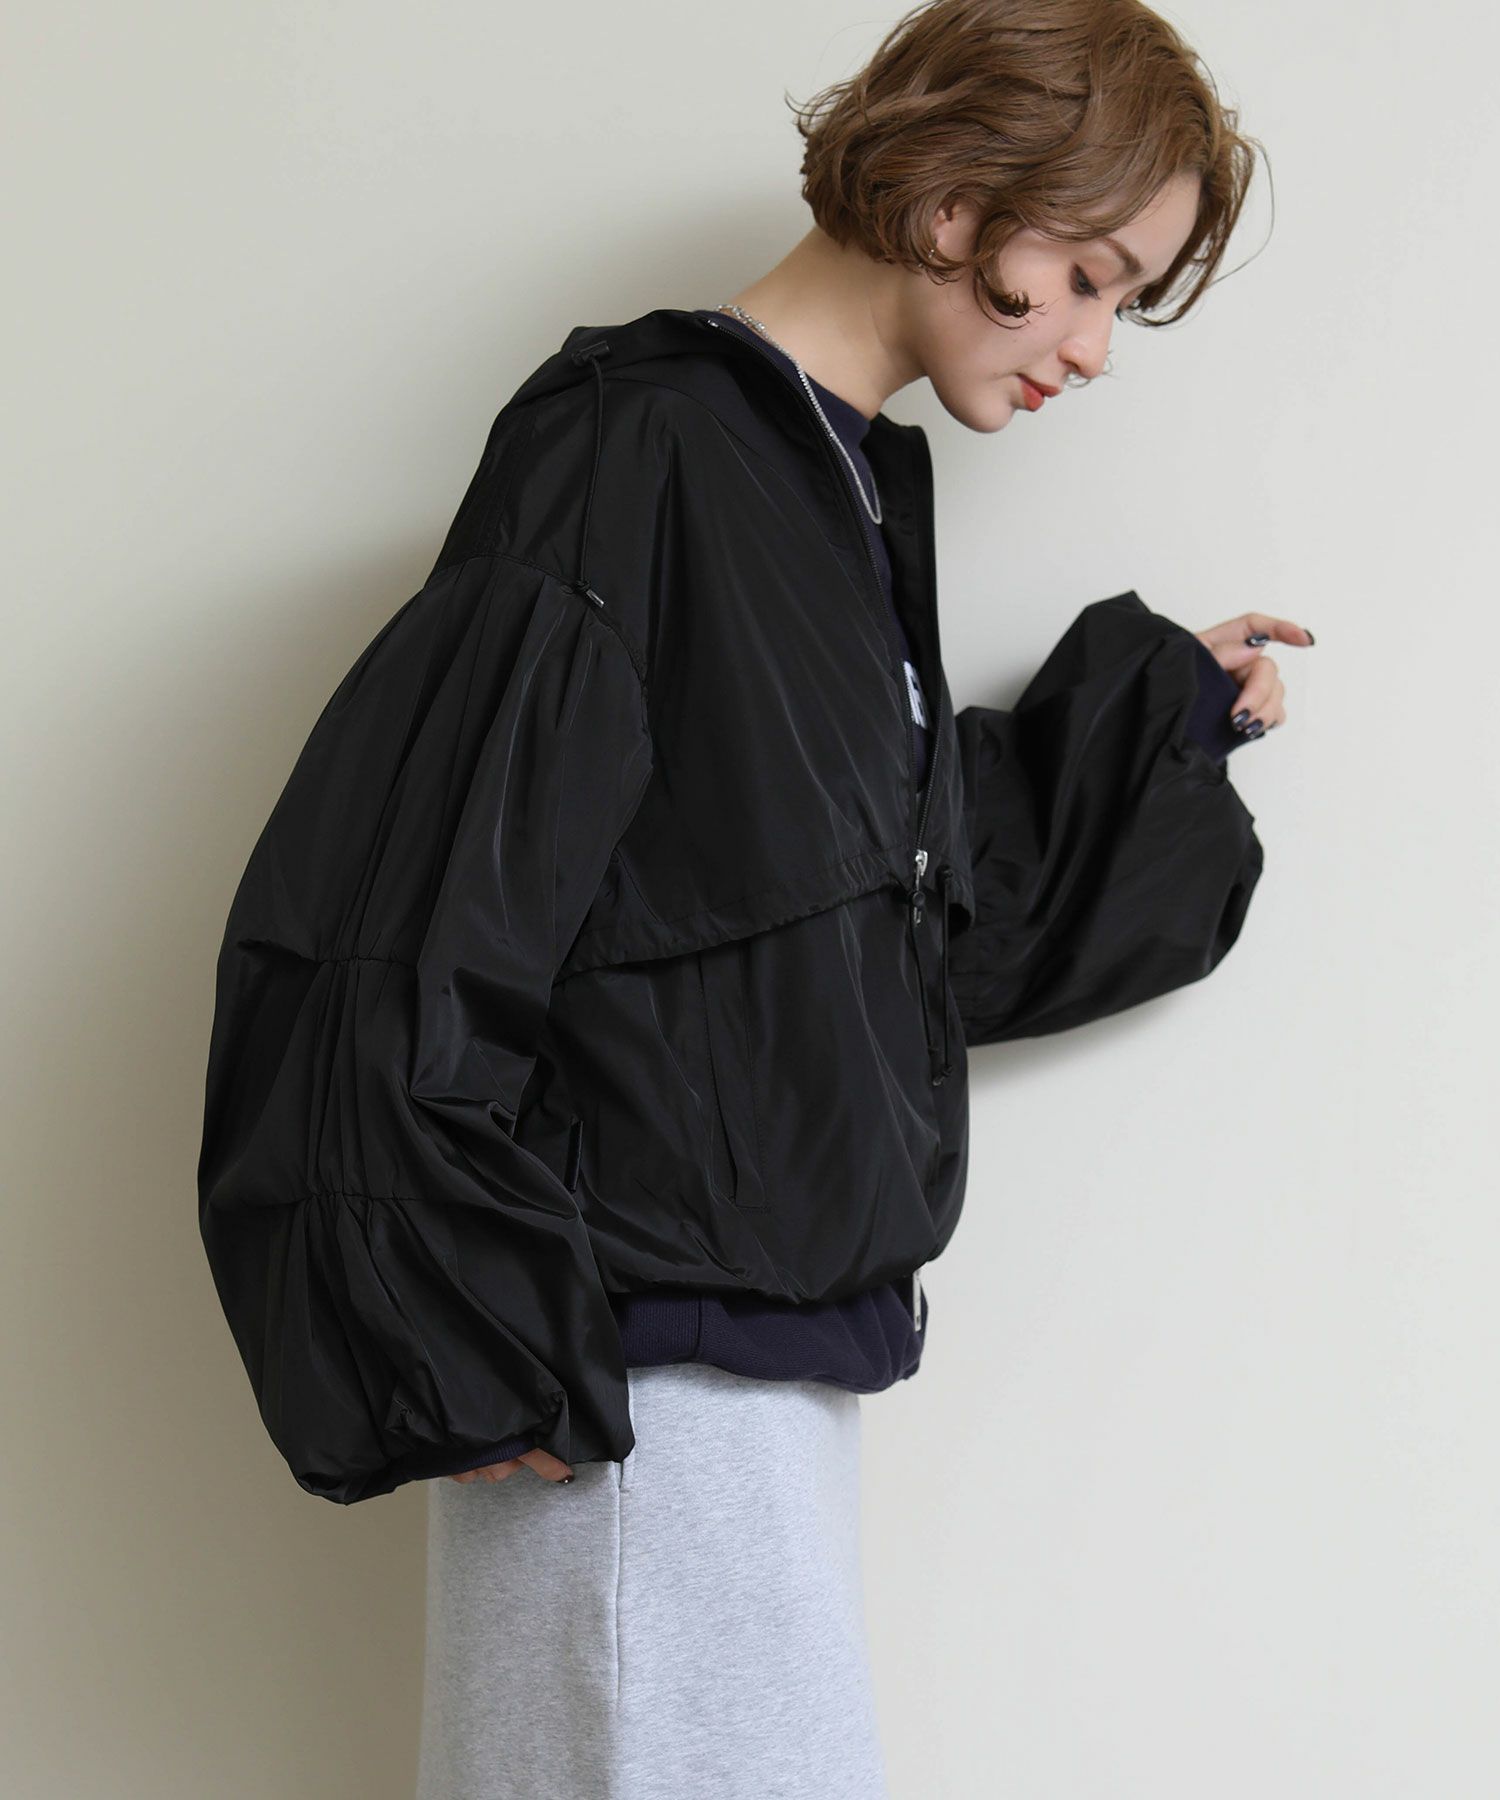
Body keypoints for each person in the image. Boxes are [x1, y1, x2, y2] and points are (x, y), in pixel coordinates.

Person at [196, 2, 1306, 1795]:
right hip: (637, 1405)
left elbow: (872, 919)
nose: (1097, 346)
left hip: (751, 1395)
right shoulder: (642, 451)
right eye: (1092, 278)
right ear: (954, 203)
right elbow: (408, 879)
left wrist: (1156, 719)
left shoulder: (832, 492)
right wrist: (454, 1331)